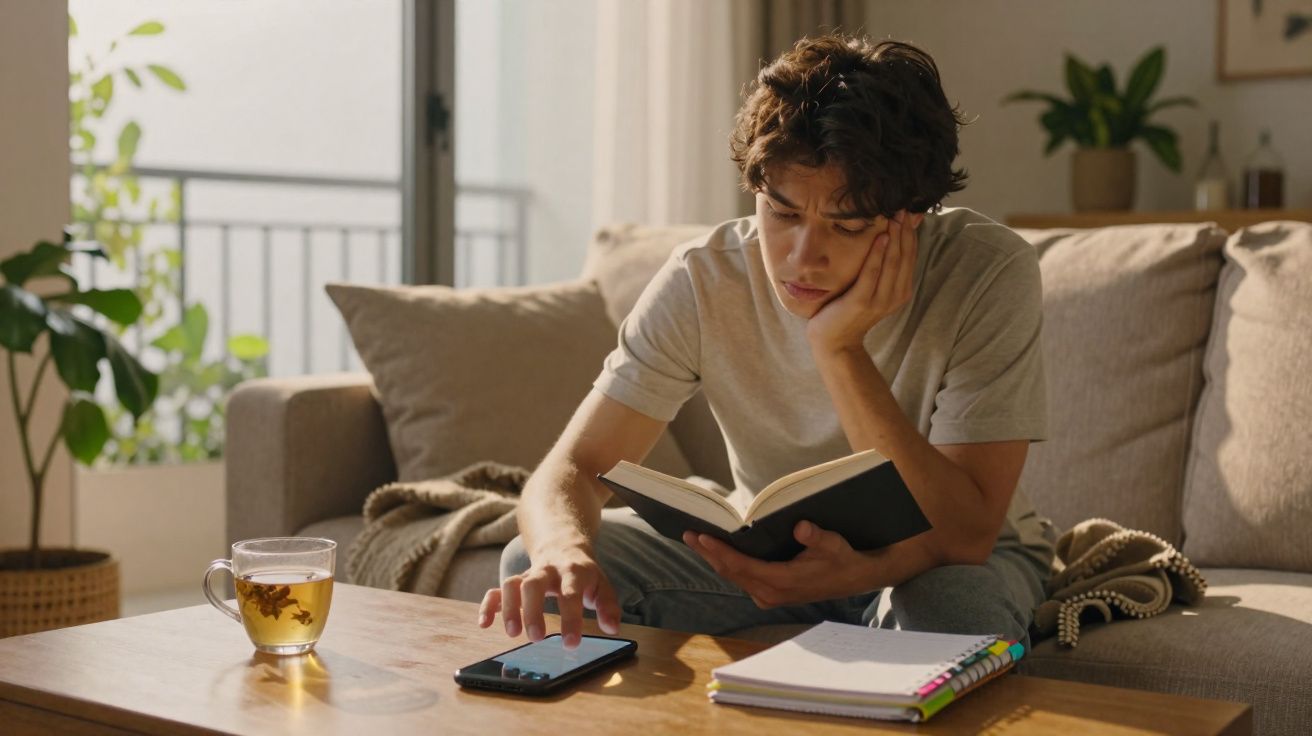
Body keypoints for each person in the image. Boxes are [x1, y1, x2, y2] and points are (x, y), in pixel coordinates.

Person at [477, 33, 1056, 651]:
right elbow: (575, 467)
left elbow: (964, 535)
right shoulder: (705, 277)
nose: (803, 258)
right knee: (535, 568)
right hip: (762, 556)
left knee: (955, 611)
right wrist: (564, 549)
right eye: (781, 213)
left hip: (935, 561)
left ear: (911, 214)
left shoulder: (987, 272)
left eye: (848, 224)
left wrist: (840, 349)